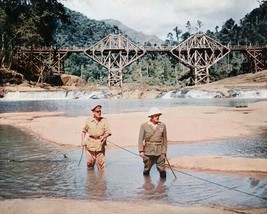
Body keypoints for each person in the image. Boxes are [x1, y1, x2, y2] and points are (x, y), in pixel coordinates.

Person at [138, 107, 168, 178]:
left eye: (158, 115)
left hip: (159, 151)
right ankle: (147, 185)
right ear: (151, 116)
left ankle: (162, 187)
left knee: (162, 170)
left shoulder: (162, 125)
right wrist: (141, 151)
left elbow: (165, 140)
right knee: (146, 169)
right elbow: (140, 139)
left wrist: (164, 151)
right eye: (155, 115)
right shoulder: (144, 126)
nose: (157, 117)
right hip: (148, 152)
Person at [81, 105, 111, 170]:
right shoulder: (89, 121)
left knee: (101, 166)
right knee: (90, 163)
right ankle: (91, 179)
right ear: (93, 112)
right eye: (97, 111)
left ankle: (101, 180)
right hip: (90, 145)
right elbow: (83, 131)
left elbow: (108, 132)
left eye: (100, 111)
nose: (99, 113)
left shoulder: (104, 120)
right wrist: (83, 141)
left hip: (100, 145)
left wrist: (103, 136)